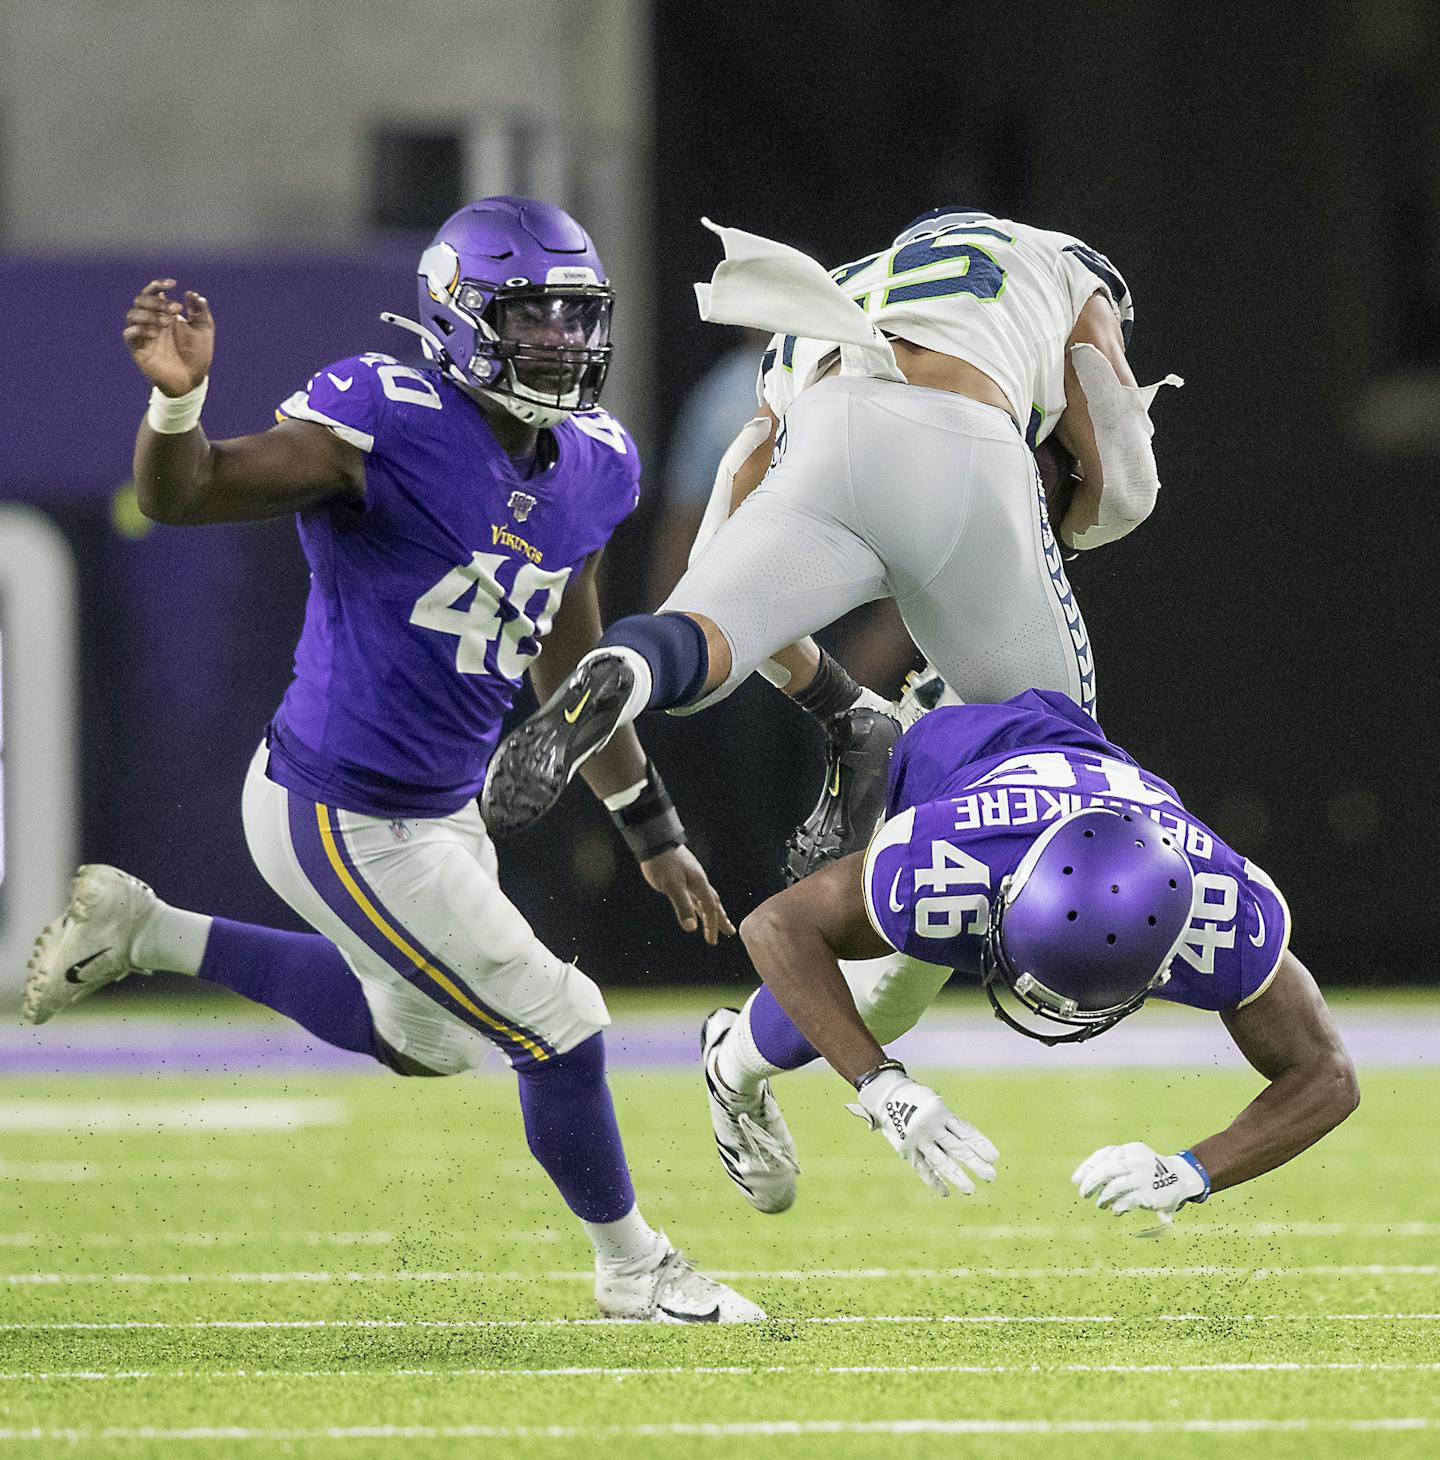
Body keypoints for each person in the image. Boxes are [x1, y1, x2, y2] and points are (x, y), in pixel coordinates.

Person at [22, 196, 763, 1324]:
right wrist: (179, 403)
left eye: (576, 319)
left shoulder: (600, 460)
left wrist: (645, 821)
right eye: (533, 320)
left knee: (425, 1039)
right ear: (462, 318)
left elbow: (572, 654)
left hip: (439, 806)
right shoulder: (386, 415)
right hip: (336, 803)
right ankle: (635, 1268)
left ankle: (147, 930)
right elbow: (188, 494)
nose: (562, 343)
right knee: (559, 1015)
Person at [480, 208, 1181, 870]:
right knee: (1061, 761)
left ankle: (628, 673)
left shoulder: (831, 297)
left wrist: (834, 696)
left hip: (824, 429)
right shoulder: (1052, 262)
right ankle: (1086, 961)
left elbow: (724, 528)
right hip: (962, 438)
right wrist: (1052, 532)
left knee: (706, 636)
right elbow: (1127, 490)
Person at [697, 689, 1358, 1223]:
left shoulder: (1218, 909)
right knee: (881, 998)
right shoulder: (948, 864)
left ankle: (947, 683)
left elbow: (1327, 1075)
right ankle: (730, 1064)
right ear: (1005, 900)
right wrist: (883, 1087)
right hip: (960, 774)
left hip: (1072, 748)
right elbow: (776, 927)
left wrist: (1190, 1170)